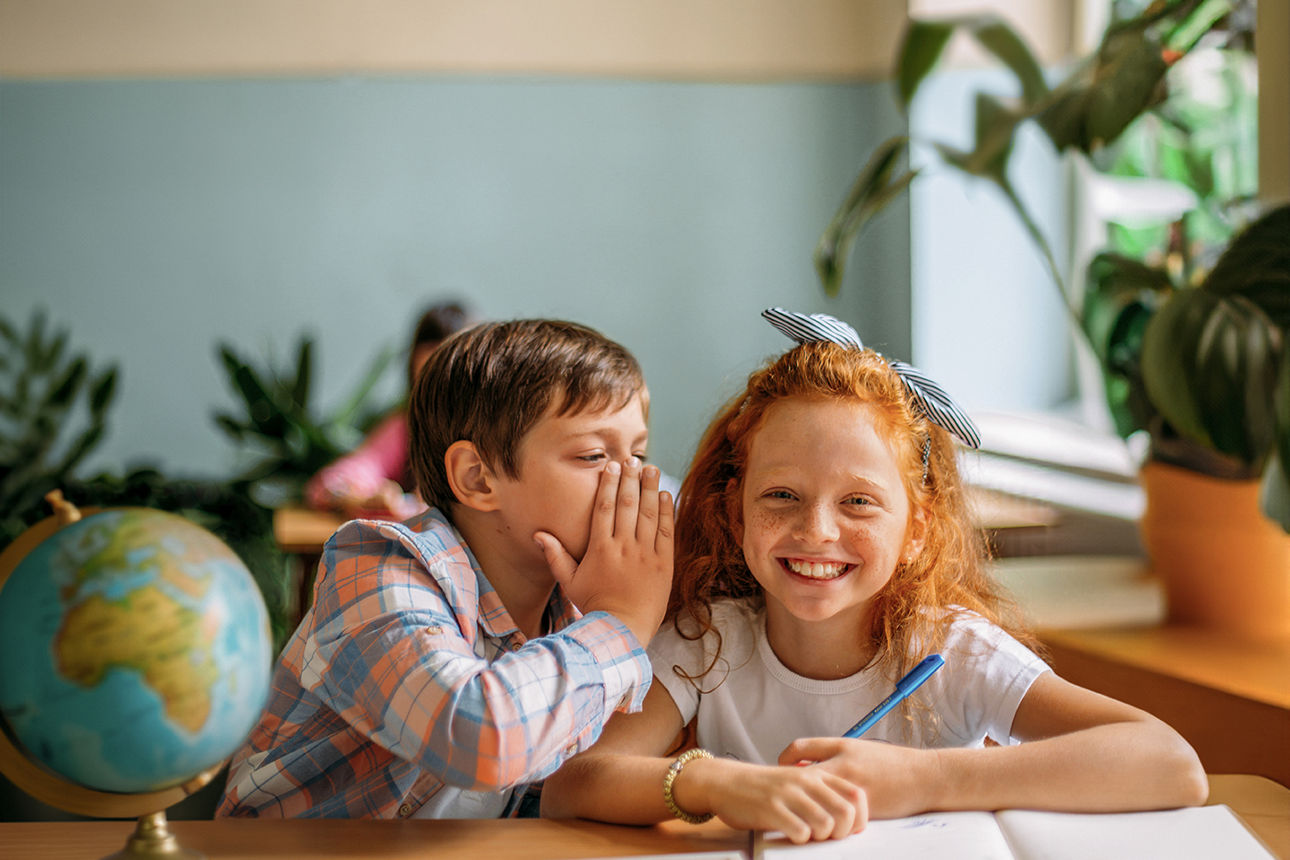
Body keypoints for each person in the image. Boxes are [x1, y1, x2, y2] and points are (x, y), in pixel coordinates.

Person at [540, 308, 1206, 843]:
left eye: (858, 502)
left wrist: (924, 780)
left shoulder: (950, 651)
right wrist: (713, 784)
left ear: (916, 531)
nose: (816, 531)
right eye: (781, 496)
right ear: (735, 513)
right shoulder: (708, 641)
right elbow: (572, 785)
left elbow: (1168, 761)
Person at [218, 318, 674, 819]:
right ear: (478, 478)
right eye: (593, 455)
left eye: (638, 453)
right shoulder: (378, 570)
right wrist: (620, 623)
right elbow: (480, 739)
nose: (634, 479)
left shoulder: (572, 604)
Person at [304, 301, 474, 520]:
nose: (437, 396)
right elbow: (332, 482)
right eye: (425, 382)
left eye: (448, 380)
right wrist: (362, 497)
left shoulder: (492, 433)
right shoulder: (405, 429)